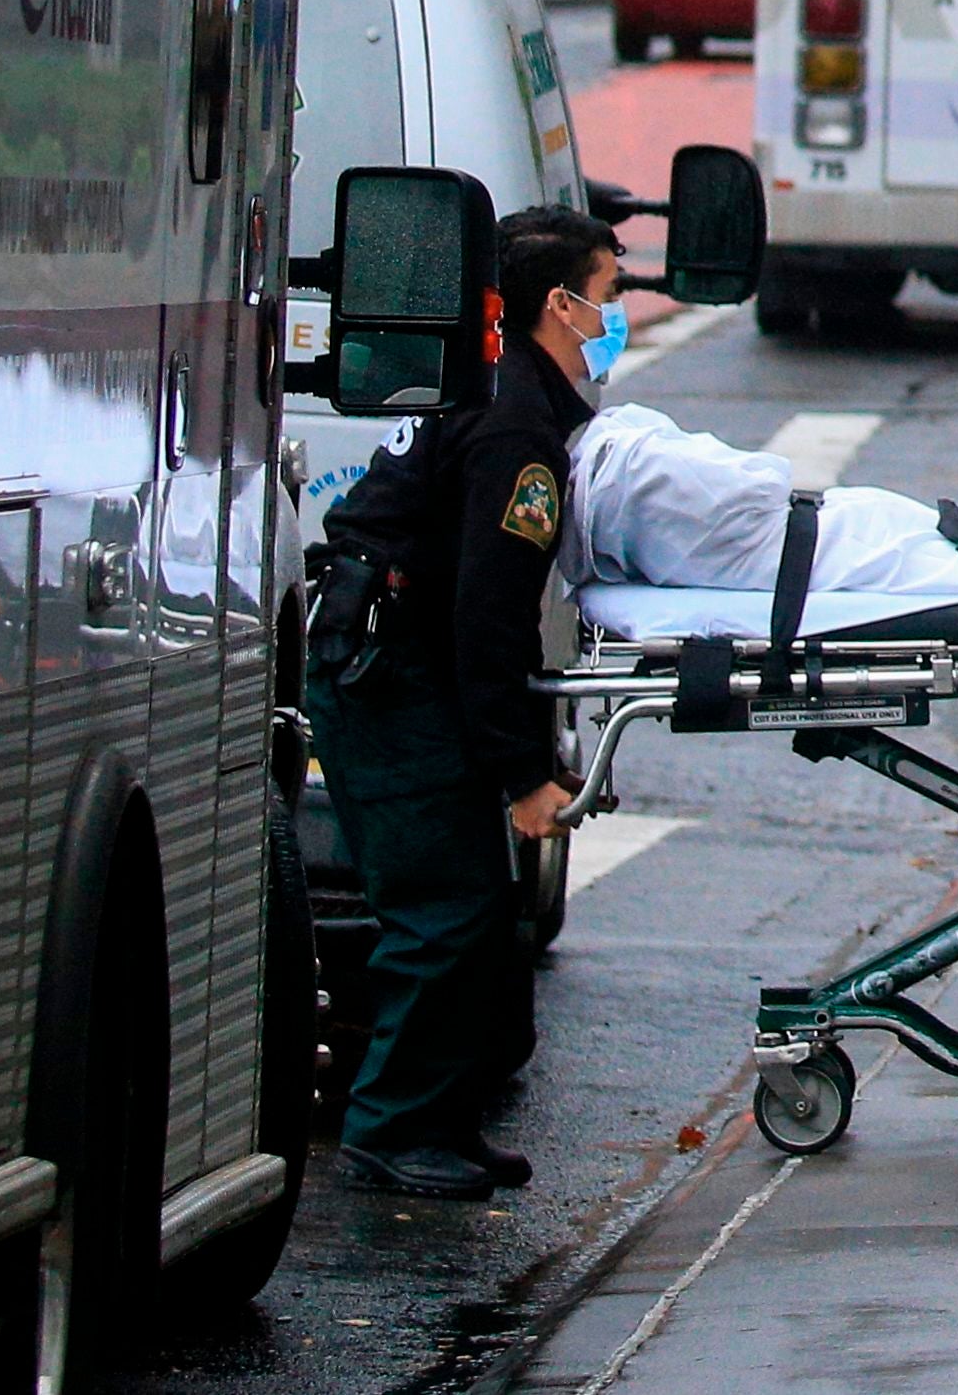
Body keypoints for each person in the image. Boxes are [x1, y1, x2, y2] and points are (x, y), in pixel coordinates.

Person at [306, 202, 628, 1200]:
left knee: (474, 911)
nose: (616, 317)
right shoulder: (516, 430)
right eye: (608, 296)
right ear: (557, 305)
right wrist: (523, 775)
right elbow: (488, 618)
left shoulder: (503, 392)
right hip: (391, 674)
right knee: (442, 912)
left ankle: (438, 1117)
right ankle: (392, 1125)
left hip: (397, 659)